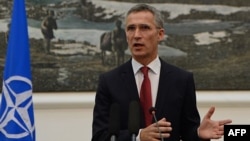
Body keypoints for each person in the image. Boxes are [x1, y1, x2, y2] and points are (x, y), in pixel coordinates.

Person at [92, 4, 232, 141]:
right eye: (131, 29)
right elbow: (99, 136)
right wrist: (140, 137)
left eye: (144, 28)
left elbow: (188, 131)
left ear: (160, 34)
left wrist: (198, 133)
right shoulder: (109, 81)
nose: (136, 35)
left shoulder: (182, 79)